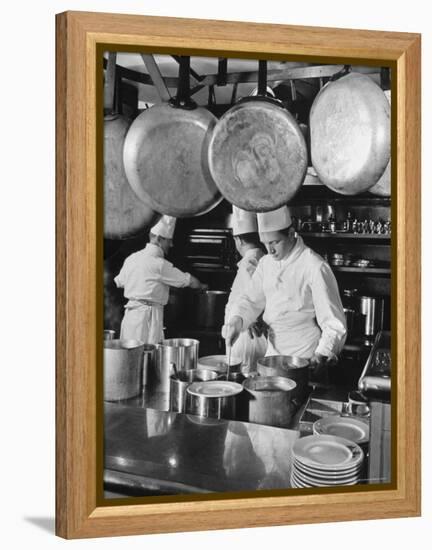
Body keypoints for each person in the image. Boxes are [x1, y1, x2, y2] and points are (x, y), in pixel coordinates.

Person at [222, 206, 347, 369]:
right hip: (272, 357)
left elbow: (334, 323)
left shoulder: (314, 266)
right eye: (265, 244)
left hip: (304, 357)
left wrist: (321, 354)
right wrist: (236, 321)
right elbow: (250, 301)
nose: (270, 250)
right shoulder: (266, 264)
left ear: (290, 233)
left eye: (275, 242)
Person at [114, 215, 207, 343]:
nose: (171, 244)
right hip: (147, 320)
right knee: (147, 357)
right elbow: (189, 281)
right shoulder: (160, 265)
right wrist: (203, 286)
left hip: (130, 318)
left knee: (129, 358)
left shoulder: (131, 258)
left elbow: (119, 282)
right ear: (158, 239)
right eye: (168, 240)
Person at [224, 206, 267, 372]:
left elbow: (253, 298)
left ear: (239, 240)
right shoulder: (262, 259)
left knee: (246, 377)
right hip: (248, 333)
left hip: (247, 338)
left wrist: (253, 319)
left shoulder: (249, 264)